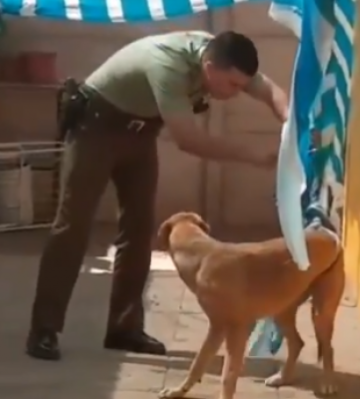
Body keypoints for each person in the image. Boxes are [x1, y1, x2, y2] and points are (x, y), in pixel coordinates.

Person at [26, 30, 290, 361]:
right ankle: (44, 330)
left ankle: (125, 329)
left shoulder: (223, 54)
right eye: (232, 86)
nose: (237, 93)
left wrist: (290, 125)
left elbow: (270, 92)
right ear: (209, 67)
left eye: (241, 86)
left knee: (139, 230)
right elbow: (189, 140)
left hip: (141, 132)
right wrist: (256, 156)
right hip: (96, 126)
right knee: (72, 227)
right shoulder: (169, 65)